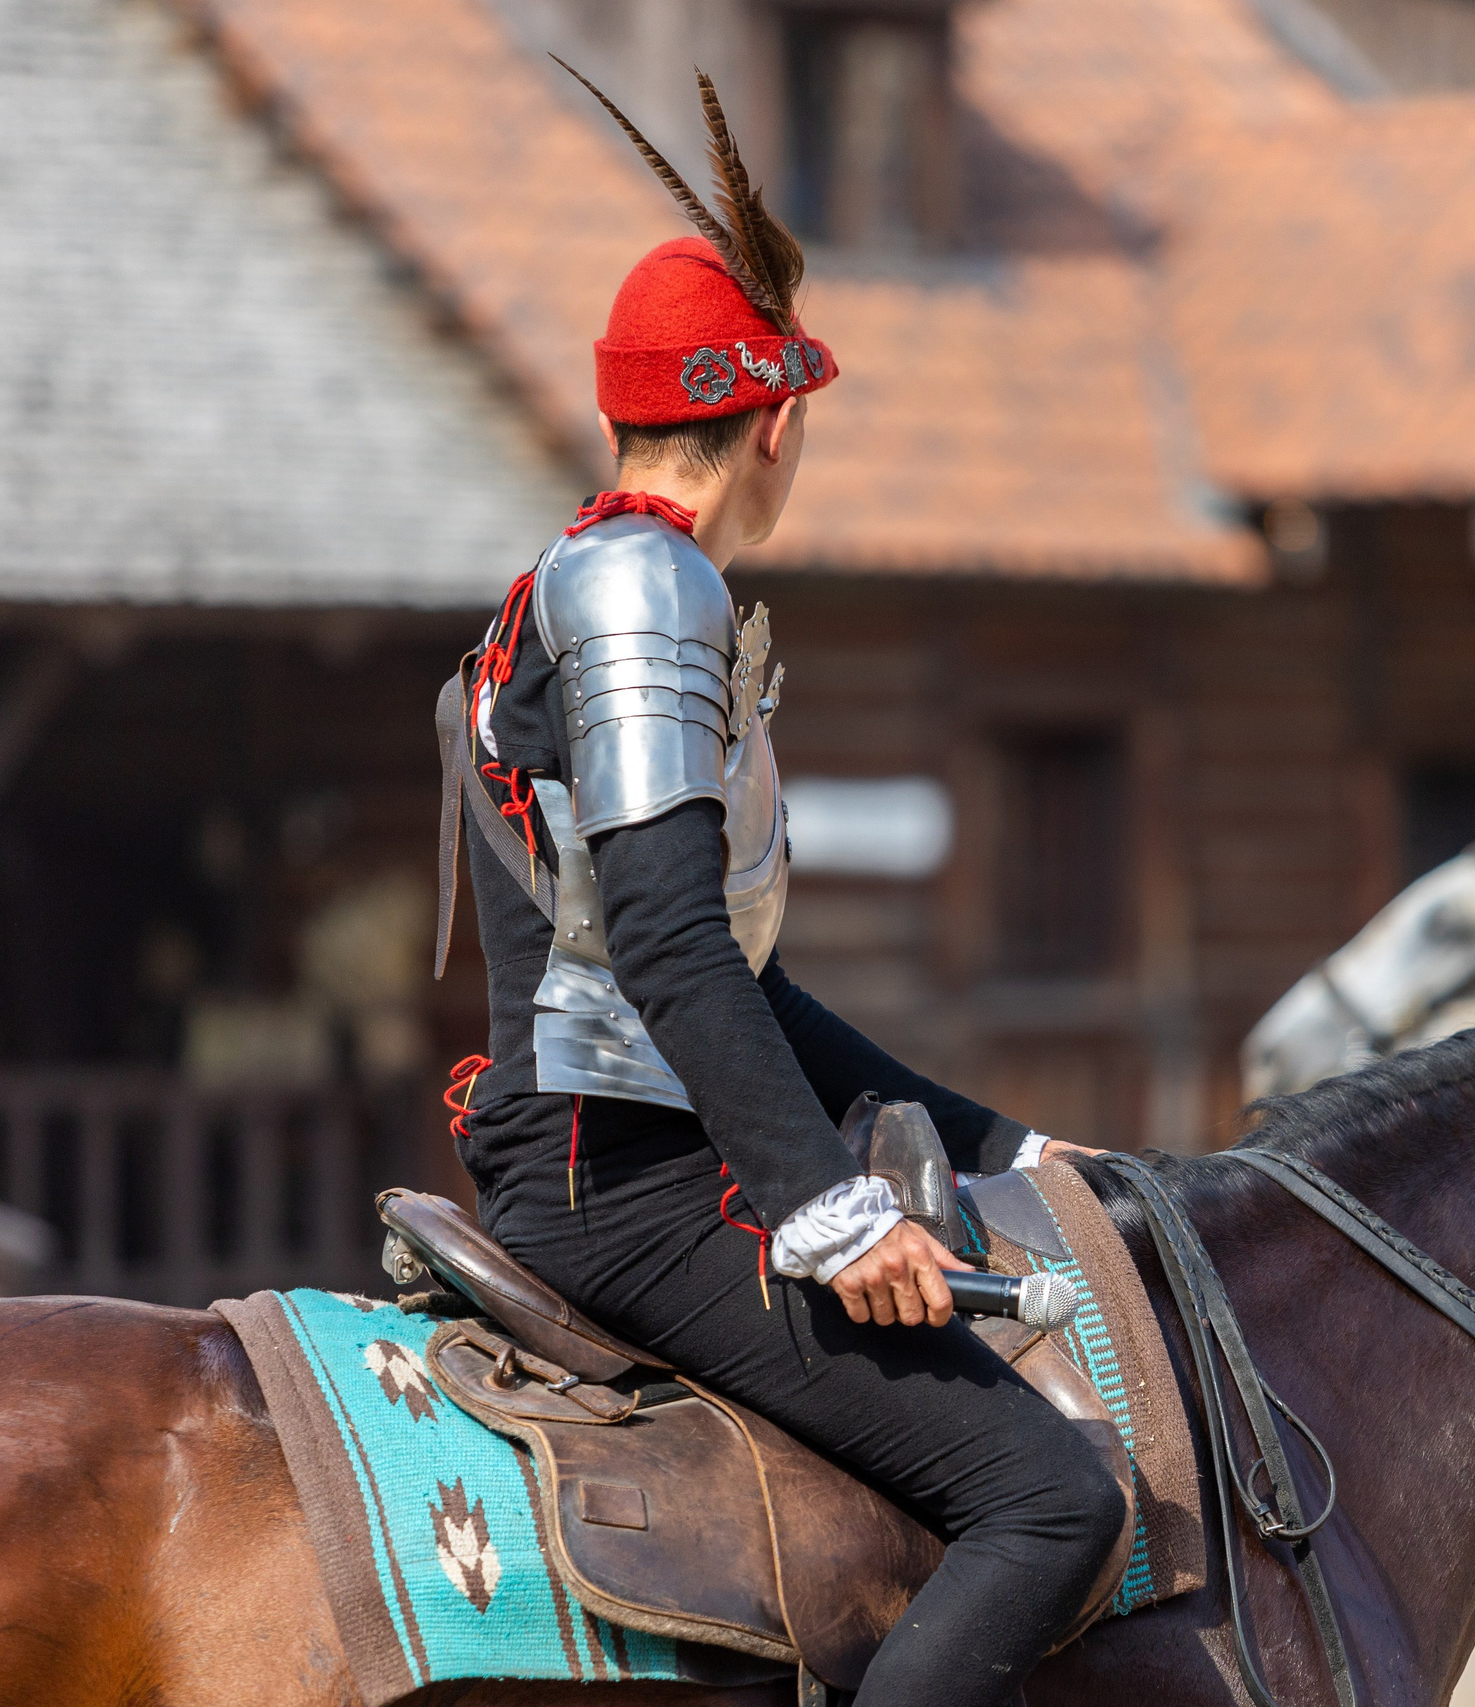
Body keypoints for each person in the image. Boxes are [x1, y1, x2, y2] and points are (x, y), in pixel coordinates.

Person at [444, 71, 1123, 1706]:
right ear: (777, 422)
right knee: (1053, 1501)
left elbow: (718, 981)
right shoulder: (652, 585)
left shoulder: (568, 580)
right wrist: (828, 1209)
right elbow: (679, 949)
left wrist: (1004, 1149)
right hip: (637, 1181)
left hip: (604, 1151)